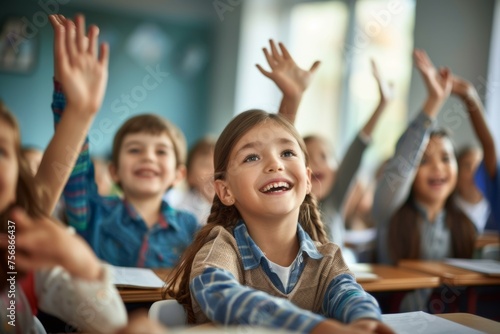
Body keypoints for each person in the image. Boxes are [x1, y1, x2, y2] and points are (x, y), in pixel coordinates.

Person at [164, 110, 393, 333]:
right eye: (251, 157)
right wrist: (314, 327)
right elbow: (220, 295)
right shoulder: (221, 248)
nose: (275, 164)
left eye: (287, 153)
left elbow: (350, 294)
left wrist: (366, 320)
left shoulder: (326, 259)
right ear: (225, 190)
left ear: (308, 179)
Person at [0, 13, 127, 333]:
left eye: (1, 151)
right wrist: (76, 112)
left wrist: (82, 264)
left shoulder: (16, 243)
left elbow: (111, 323)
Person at [51, 20, 199, 269]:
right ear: (114, 171)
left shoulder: (190, 227)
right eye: (134, 150)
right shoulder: (93, 212)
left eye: (161, 151)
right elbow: (74, 161)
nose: (148, 157)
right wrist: (72, 100)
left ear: (178, 174)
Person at [259, 47, 392, 262]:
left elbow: (357, 148)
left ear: (338, 168)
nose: (317, 164)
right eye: (308, 158)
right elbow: (281, 145)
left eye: (325, 157)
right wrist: (292, 97)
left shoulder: (336, 198)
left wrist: (382, 104)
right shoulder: (291, 201)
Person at [372, 49, 477, 311]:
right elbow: (401, 164)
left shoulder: (466, 226)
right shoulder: (390, 214)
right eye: (424, 161)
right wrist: (434, 101)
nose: (437, 169)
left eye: (445, 158)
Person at [450, 74, 498, 233]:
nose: (475, 172)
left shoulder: (491, 210)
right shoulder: (448, 211)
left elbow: (489, 148)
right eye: (467, 166)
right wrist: (468, 96)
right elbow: (489, 145)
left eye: (479, 166)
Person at [174, 136, 217, 225]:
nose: (214, 170)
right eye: (206, 165)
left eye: (219, 164)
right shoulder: (183, 209)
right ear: (189, 176)